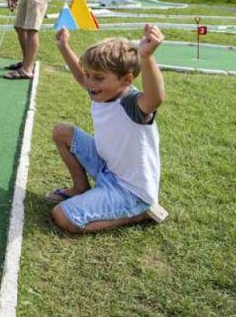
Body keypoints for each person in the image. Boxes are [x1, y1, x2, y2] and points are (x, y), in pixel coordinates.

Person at [47, 24, 168, 233]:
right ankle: (80, 188)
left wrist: (147, 58)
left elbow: (155, 99)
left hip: (130, 190)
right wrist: (63, 46)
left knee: (63, 217)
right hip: (108, 169)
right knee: (62, 131)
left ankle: (138, 212)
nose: (90, 83)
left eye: (98, 77)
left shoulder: (132, 104)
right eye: (89, 74)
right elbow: (80, 77)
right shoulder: (102, 92)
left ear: (127, 80)